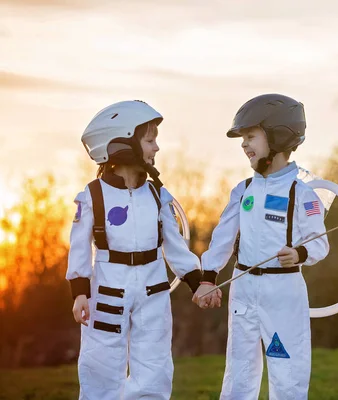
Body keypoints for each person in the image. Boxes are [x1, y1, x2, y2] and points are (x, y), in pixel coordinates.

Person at [193, 93, 330, 399]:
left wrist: (299, 253)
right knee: (239, 370)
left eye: (251, 136)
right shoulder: (242, 191)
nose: (244, 145)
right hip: (243, 291)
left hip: (283, 293)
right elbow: (222, 240)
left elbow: (319, 243)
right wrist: (207, 278)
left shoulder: (302, 193)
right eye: (243, 138)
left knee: (287, 370)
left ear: (278, 137)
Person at [66, 100, 203, 400]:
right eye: (150, 140)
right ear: (124, 142)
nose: (156, 148)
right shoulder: (93, 196)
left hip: (153, 289)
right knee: (100, 365)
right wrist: (79, 292)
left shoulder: (157, 194)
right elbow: (78, 249)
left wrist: (197, 282)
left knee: (154, 365)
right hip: (107, 292)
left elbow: (175, 246)